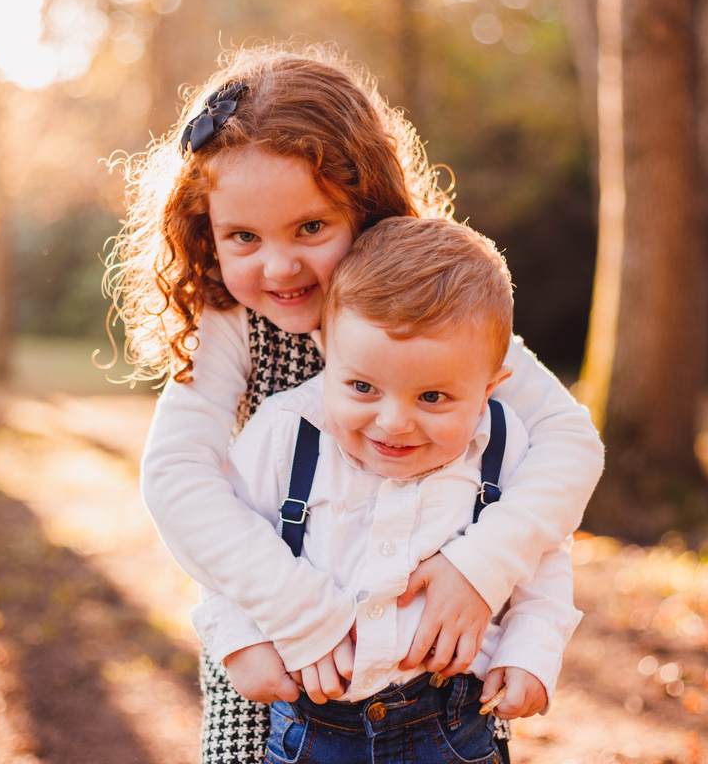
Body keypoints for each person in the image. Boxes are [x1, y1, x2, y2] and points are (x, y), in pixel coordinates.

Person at [108, 43, 604, 763]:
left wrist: (482, 567)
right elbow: (178, 480)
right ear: (206, 236)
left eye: (310, 228)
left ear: (366, 206)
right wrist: (301, 616)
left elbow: (569, 440)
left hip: (430, 672)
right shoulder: (229, 322)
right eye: (243, 237)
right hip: (281, 655)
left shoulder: (426, 313)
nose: (280, 267)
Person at [194, 217, 583, 763]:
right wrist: (240, 639)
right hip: (313, 721)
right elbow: (224, 544)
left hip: (451, 723)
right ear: (327, 352)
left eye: (433, 397)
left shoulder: (503, 443)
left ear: (490, 387)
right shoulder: (286, 430)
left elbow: (541, 557)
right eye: (361, 388)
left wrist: (531, 653)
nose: (394, 422)